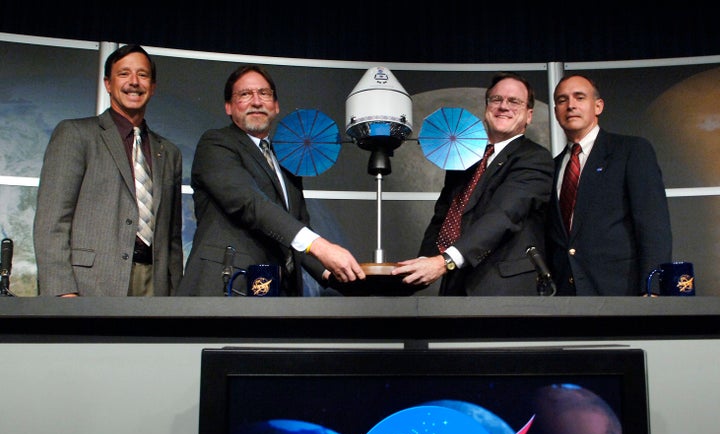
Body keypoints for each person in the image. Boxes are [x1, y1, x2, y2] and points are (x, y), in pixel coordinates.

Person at [176, 64, 365, 296]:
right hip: (228, 288)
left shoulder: (286, 161)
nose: (256, 101)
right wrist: (320, 246)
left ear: (275, 106)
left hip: (277, 293)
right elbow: (249, 201)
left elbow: (296, 227)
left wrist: (332, 275)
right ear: (229, 107)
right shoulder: (216, 144)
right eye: (245, 94)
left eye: (264, 94)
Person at [33, 44, 184, 296]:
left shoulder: (169, 152)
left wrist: (175, 295)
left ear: (153, 86)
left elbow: (173, 240)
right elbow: (52, 222)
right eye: (124, 74)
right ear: (108, 84)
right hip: (90, 284)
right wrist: (62, 292)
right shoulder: (76, 134)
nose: (134, 82)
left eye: (142, 75)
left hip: (155, 288)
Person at [392, 72, 554, 295]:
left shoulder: (534, 158)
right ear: (487, 108)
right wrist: (422, 265)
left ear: (529, 115)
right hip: (455, 287)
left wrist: (444, 261)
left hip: (504, 291)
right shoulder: (466, 160)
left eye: (514, 101)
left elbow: (503, 215)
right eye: (496, 99)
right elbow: (444, 218)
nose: (503, 106)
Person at [545, 74, 672, 295]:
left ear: (598, 106)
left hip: (621, 293)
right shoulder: (552, 168)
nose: (571, 105)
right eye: (562, 100)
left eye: (580, 97)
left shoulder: (630, 151)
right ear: (556, 112)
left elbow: (653, 225)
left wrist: (653, 289)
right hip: (565, 299)